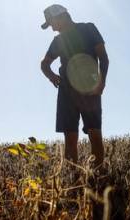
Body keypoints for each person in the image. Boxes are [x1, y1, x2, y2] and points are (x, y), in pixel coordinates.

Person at [40, 4, 109, 170]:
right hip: (66, 92)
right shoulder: (58, 41)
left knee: (95, 134)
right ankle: (73, 180)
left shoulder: (88, 29)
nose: (52, 28)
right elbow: (44, 64)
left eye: (52, 23)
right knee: (70, 138)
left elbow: (103, 58)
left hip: (89, 88)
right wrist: (52, 77)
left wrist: (101, 83)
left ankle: (97, 177)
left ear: (61, 17)